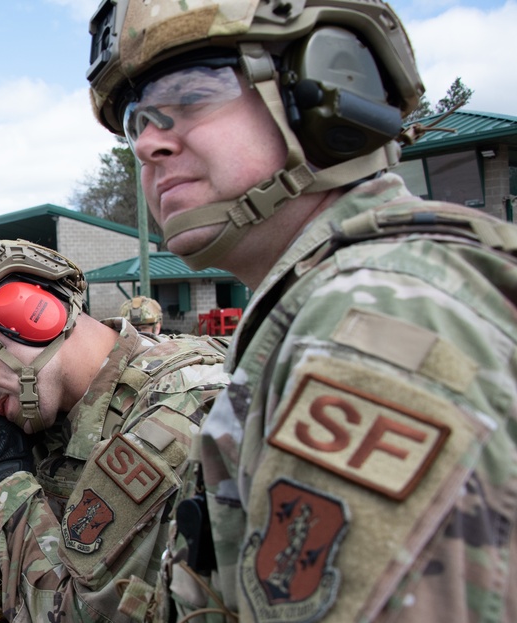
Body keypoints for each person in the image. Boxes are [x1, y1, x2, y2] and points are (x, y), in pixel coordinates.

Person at [86, 0, 517, 621]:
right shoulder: (315, 305)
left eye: (191, 92)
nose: (150, 142)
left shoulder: (376, 319)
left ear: (324, 87)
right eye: (138, 118)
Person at [0, 239, 230, 622]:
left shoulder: (170, 416)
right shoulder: (67, 414)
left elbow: (77, 612)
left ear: (32, 316)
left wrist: (8, 485)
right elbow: (73, 555)